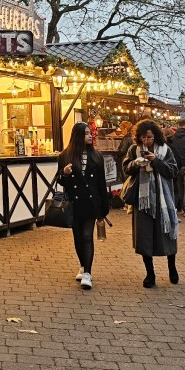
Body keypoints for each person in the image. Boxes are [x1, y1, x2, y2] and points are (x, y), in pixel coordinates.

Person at [123, 119, 179, 288]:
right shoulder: (134, 150)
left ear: (155, 136)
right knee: (145, 237)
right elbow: (125, 168)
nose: (146, 141)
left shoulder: (165, 150)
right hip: (143, 201)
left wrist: (155, 161)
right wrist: (135, 163)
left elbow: (172, 171)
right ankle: (150, 273)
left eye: (149, 137)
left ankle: (172, 267)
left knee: (166, 233)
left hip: (163, 198)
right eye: (142, 138)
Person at [58, 122, 110, 290]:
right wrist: (64, 173)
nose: (90, 135)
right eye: (86, 133)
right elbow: (60, 180)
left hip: (91, 202)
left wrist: (103, 207)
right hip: (74, 202)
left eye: (90, 133)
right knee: (78, 237)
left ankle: (87, 272)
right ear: (78, 136)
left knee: (87, 236)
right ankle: (82, 265)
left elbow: (101, 183)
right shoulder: (65, 155)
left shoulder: (97, 156)